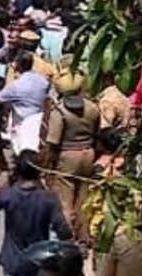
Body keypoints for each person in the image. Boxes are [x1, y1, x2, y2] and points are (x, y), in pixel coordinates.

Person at [40, 72, 100, 244]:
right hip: (88, 154)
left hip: (67, 157)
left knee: (65, 201)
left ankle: (67, 238)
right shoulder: (92, 107)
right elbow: (97, 133)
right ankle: (84, 236)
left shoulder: (59, 112)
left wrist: (47, 166)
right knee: (84, 198)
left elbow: (52, 142)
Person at [0, 52, 49, 156]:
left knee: (21, 151)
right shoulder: (43, 81)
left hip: (22, 122)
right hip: (39, 120)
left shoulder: (16, 86)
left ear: (18, 65)